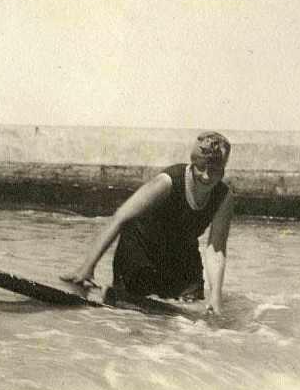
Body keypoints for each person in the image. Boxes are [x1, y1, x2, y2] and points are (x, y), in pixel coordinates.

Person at [60, 131, 235, 315]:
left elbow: (216, 248)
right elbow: (120, 218)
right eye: (201, 167)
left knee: (190, 315)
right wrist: (87, 268)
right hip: (140, 251)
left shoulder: (224, 197)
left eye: (214, 170)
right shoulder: (167, 182)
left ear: (223, 170)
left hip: (180, 258)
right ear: (192, 164)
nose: (206, 176)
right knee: (136, 314)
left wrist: (216, 295)